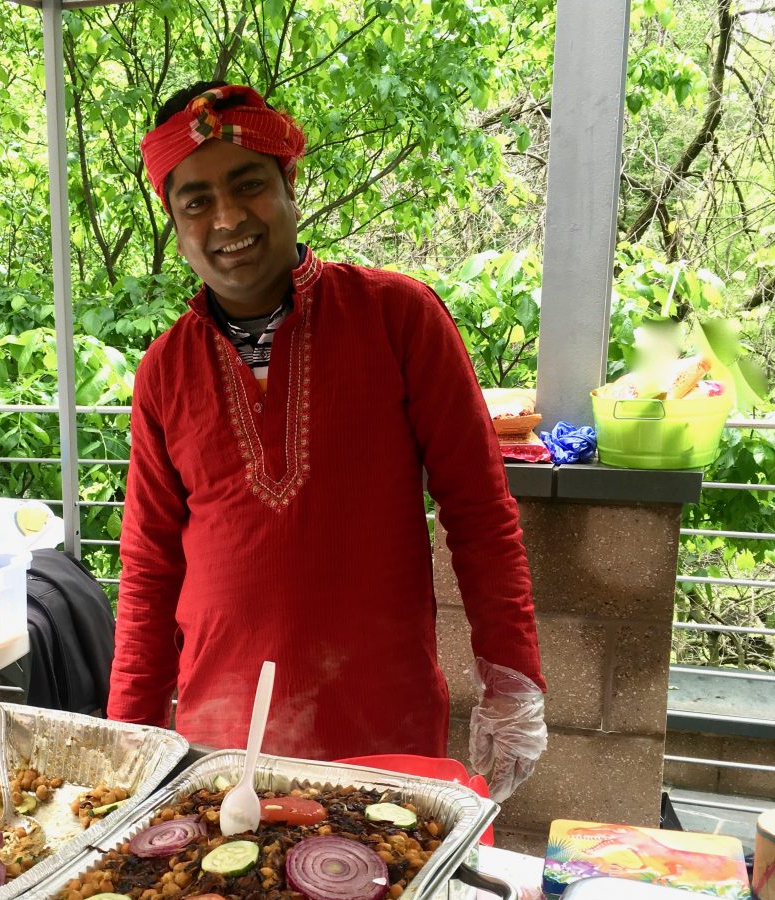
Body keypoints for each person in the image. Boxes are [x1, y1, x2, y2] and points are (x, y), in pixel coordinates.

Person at [107, 82, 547, 801]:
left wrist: (511, 677)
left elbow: (480, 513)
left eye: (248, 185)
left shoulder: (398, 318)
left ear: (290, 187)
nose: (226, 218)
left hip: (382, 726)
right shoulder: (164, 370)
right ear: (175, 221)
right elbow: (149, 570)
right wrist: (129, 734)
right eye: (196, 201)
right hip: (221, 744)